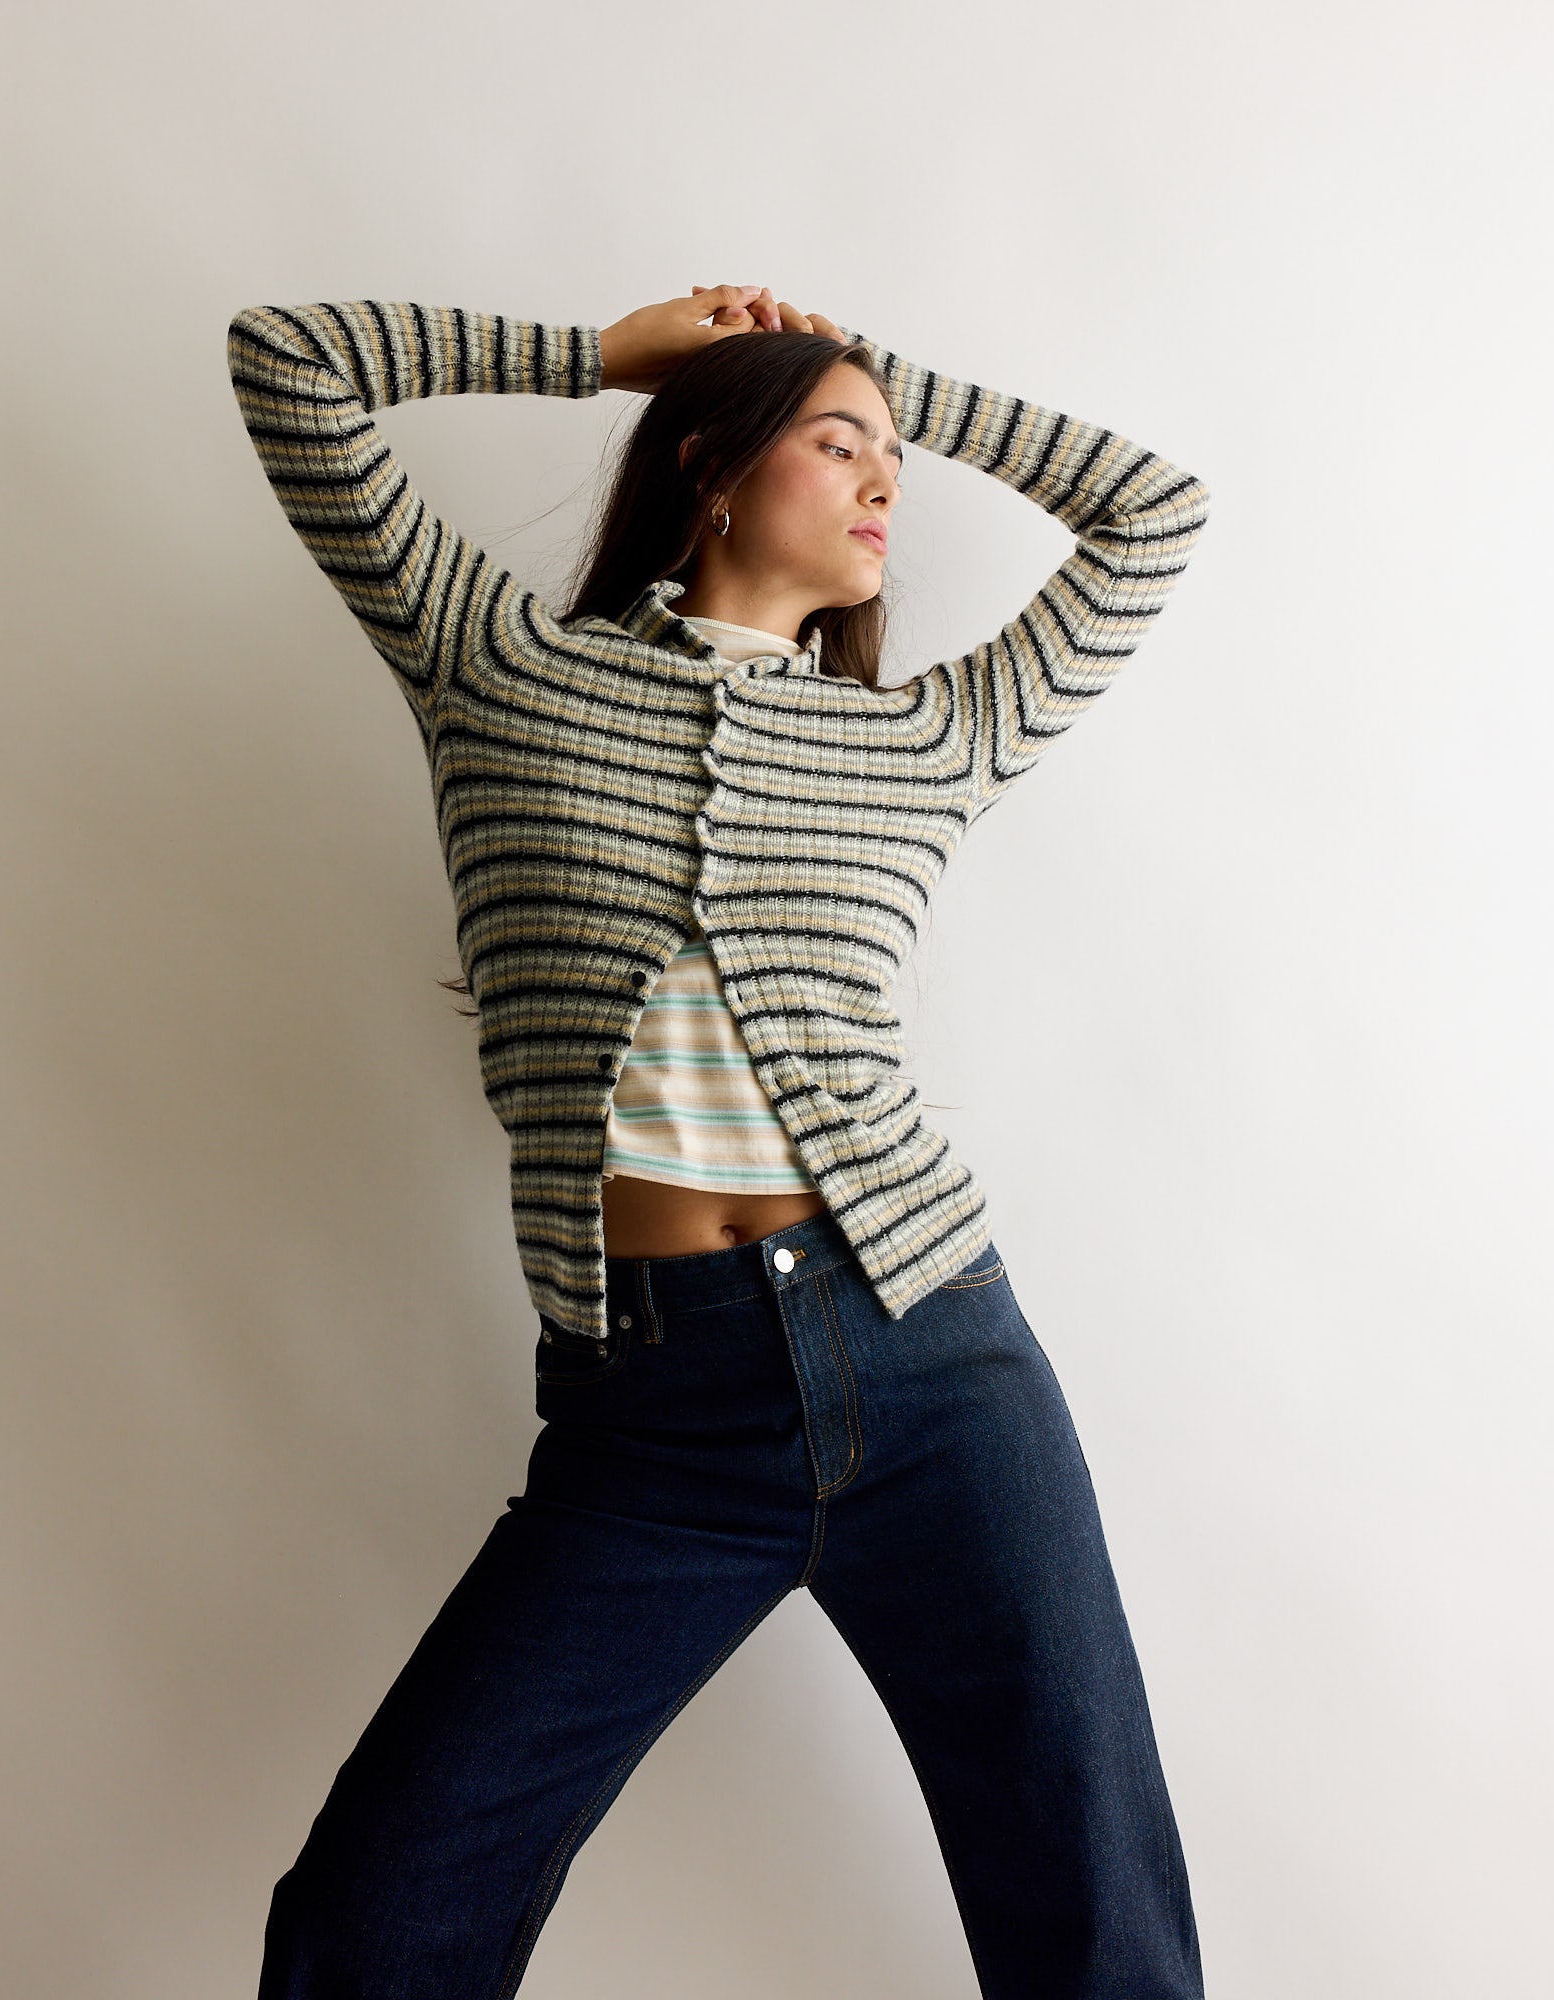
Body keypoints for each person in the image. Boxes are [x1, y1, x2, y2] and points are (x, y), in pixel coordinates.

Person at [227, 281, 1212, 1998]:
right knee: (375, 1917)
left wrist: (877, 386)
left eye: (892, 462)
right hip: (652, 1409)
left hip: (935, 1361)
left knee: (1094, 1912)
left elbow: (1155, 510)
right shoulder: (500, 665)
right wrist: (612, 359)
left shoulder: (928, 735)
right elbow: (288, 364)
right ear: (710, 464)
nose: (884, 484)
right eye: (837, 446)